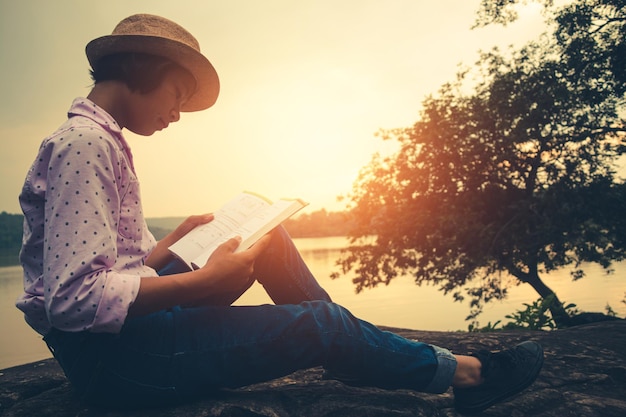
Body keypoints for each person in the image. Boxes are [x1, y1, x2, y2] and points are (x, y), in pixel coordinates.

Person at [16, 14, 544, 414]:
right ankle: (469, 377)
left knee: (269, 238)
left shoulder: (97, 139)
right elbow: (74, 301)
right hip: (121, 365)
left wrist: (170, 244)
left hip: (121, 342)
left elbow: (99, 271)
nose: (177, 113)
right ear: (139, 70)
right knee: (322, 322)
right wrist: (203, 284)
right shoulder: (85, 145)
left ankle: (350, 346)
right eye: (177, 94)